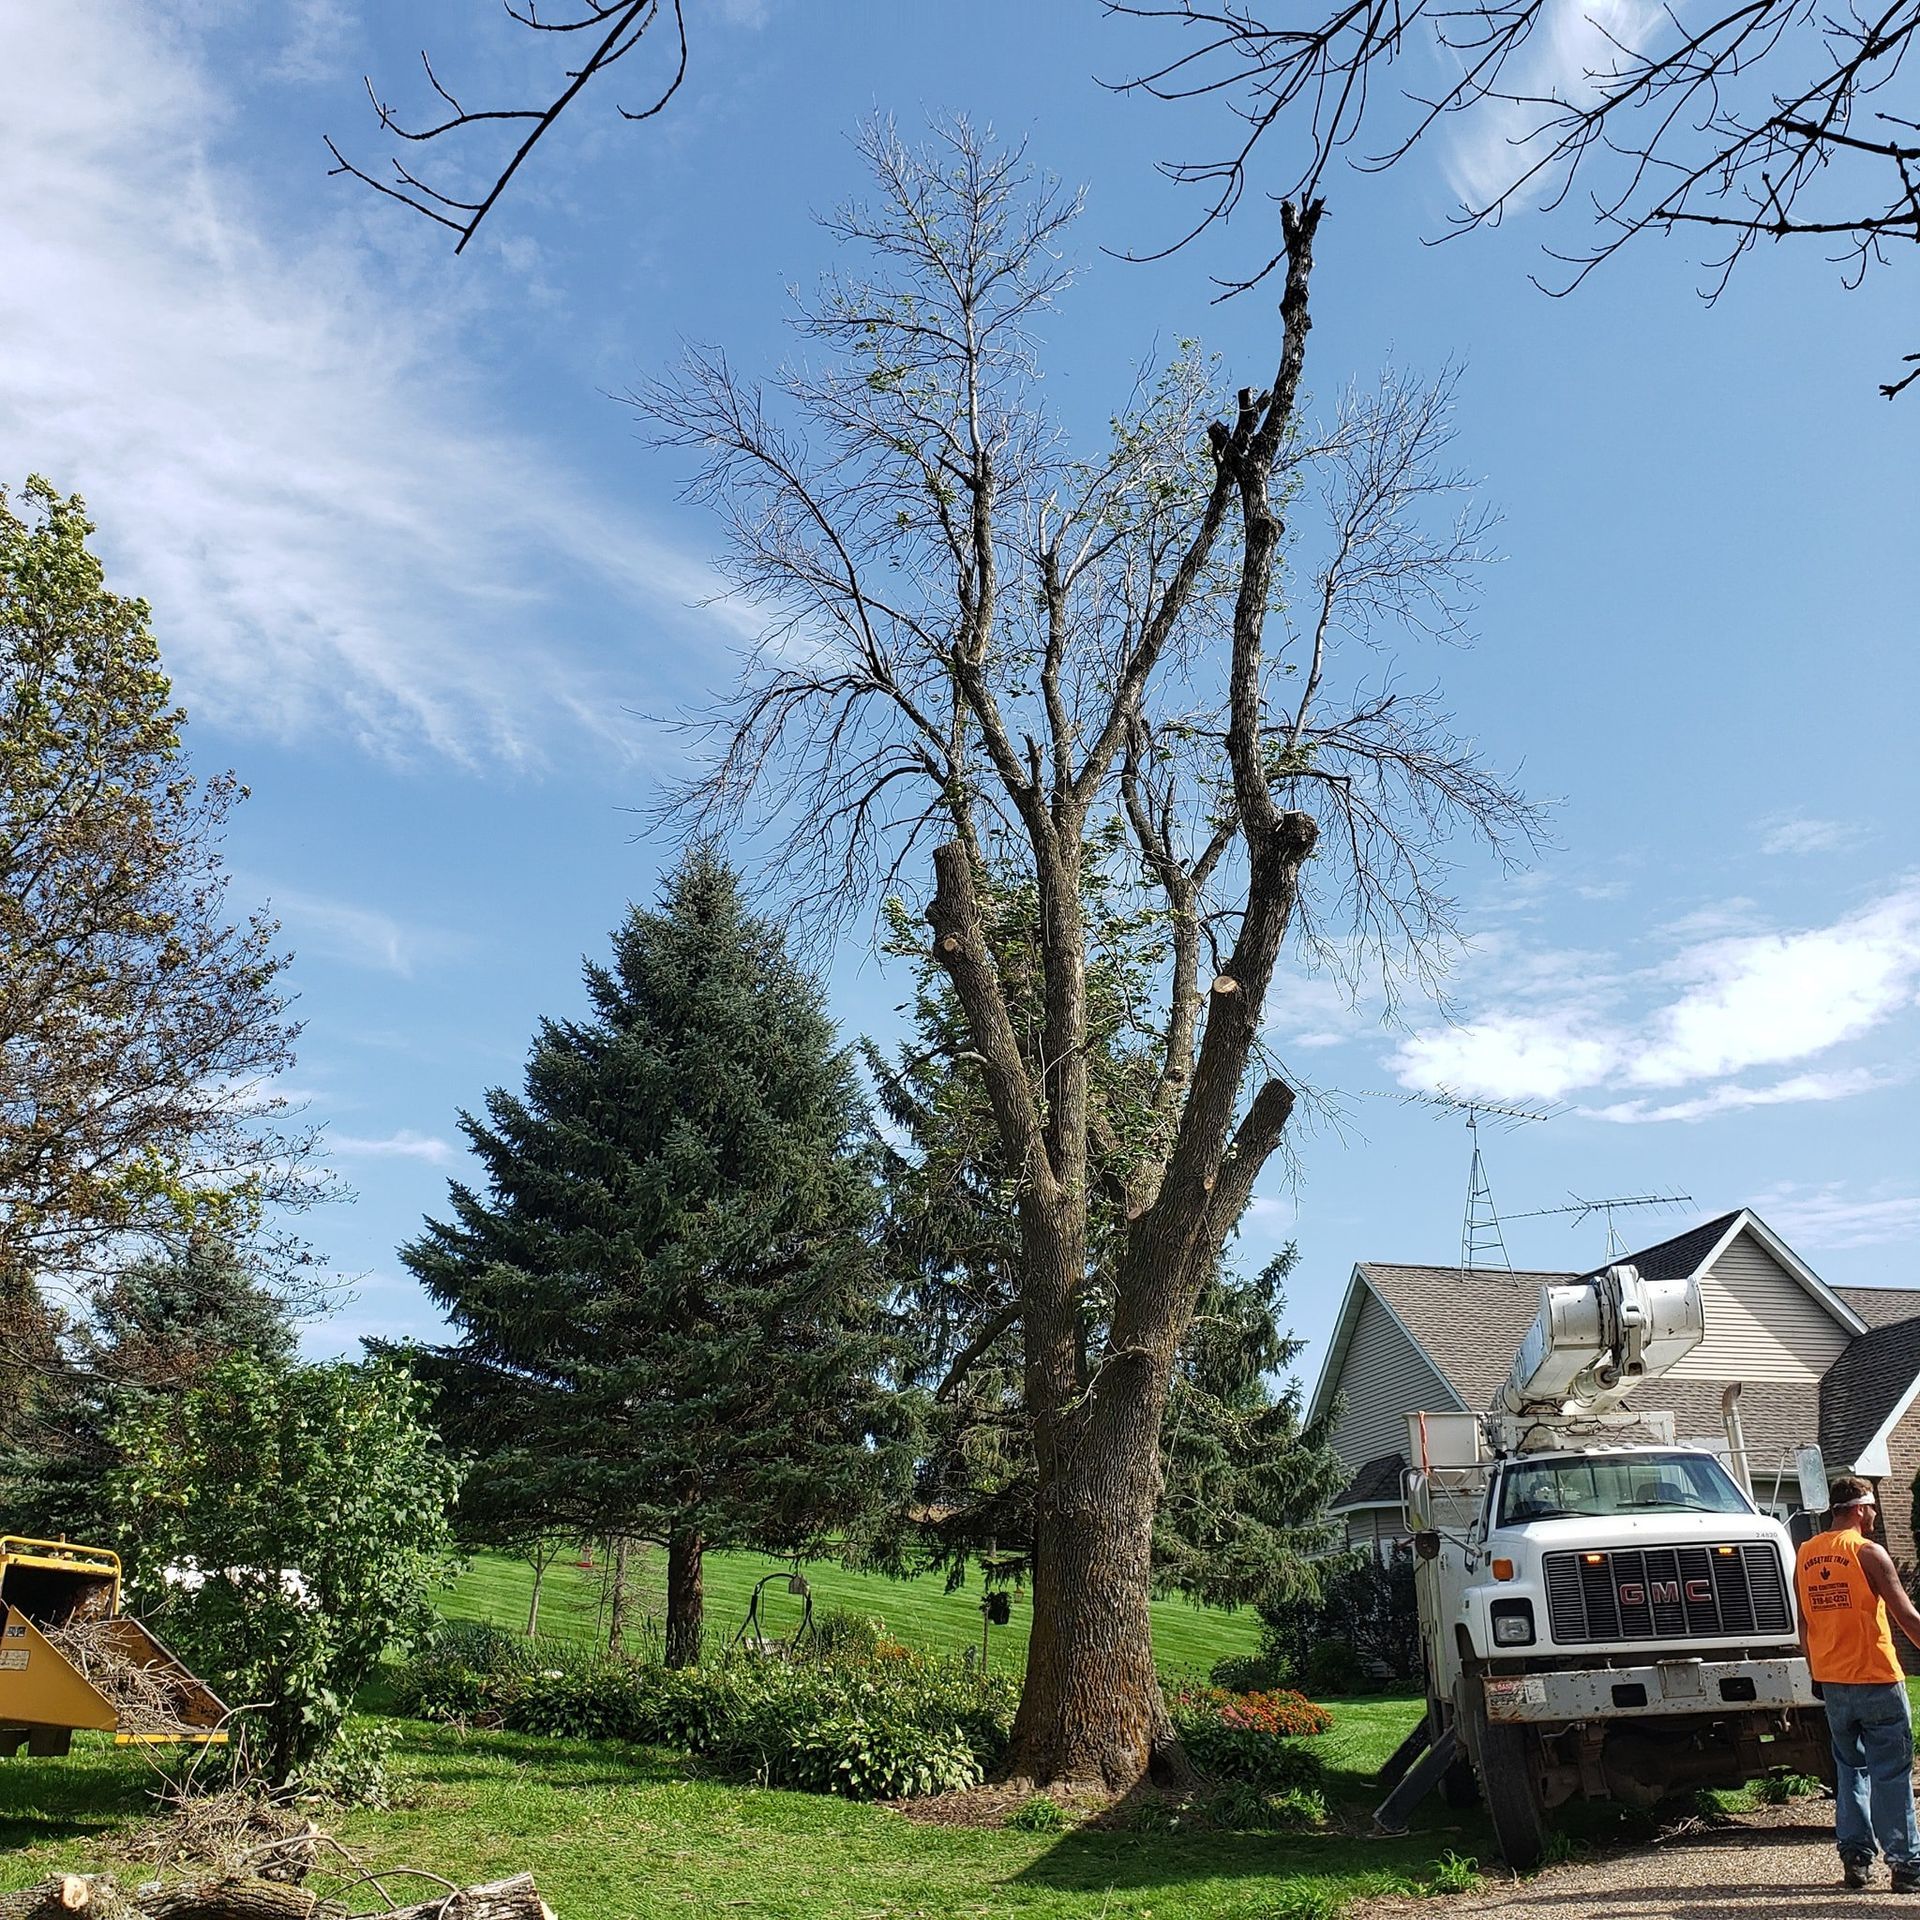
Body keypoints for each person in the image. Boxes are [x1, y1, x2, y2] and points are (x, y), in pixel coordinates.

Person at [1795, 1474, 1920, 1892]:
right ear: (1861, 1508)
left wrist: (1815, 1670)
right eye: (1872, 1509)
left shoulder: (1806, 1554)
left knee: (1850, 1770)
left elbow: (1804, 1624)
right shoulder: (1869, 1552)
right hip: (1876, 1678)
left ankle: (1856, 1858)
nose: (1875, 1516)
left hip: (1832, 1681)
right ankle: (1905, 1865)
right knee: (1892, 1772)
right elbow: (1906, 1617)